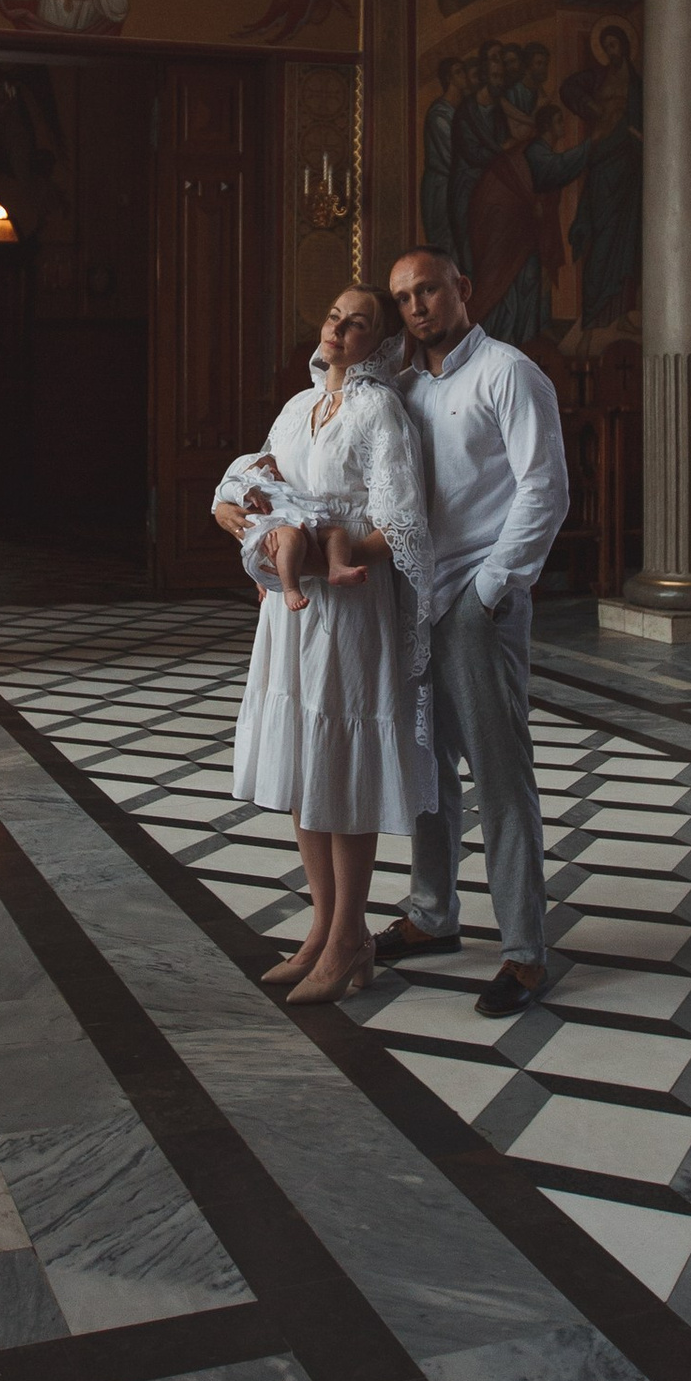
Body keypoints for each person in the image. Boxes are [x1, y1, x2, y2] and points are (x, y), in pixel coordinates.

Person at [216, 290, 435, 1006]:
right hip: (293, 611)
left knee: (342, 765)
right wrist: (261, 537)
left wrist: (321, 559)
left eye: (358, 322)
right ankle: (321, 928)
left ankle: (350, 935)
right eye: (334, 317)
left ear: (376, 343)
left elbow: (400, 523)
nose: (339, 329)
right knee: (308, 763)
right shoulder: (294, 409)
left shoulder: (379, 411)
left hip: (350, 602)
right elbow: (265, 488)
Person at [372, 248, 572, 1019]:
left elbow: (544, 488)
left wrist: (492, 590)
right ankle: (432, 913)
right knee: (425, 766)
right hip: (415, 601)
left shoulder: (510, 374)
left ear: (464, 288)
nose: (417, 306)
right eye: (404, 298)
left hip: (477, 606)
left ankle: (524, 953)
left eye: (428, 289)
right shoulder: (405, 379)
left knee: (498, 775)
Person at [211, 444, 369, 610]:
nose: (270, 468)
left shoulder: (283, 487)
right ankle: (291, 588)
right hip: (275, 527)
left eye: (272, 465)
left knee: (336, 533)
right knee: (292, 538)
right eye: (260, 465)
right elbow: (224, 489)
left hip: (302, 523)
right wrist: (245, 491)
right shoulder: (248, 483)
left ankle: (337, 568)